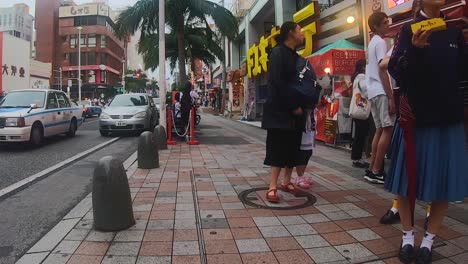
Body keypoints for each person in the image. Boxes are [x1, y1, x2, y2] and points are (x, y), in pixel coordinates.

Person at [386, 0, 467, 263]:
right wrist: (416, 51)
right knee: (406, 182)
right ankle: (408, 236)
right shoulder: (409, 30)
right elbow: (395, 70)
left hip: (448, 118)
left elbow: (463, 75)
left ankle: (429, 240)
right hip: (416, 119)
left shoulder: (455, 31)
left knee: (442, 184)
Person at [262, 21, 305, 203]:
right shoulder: (278, 52)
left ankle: (286, 182)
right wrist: (292, 105)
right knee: (277, 148)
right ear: (290, 33)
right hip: (280, 111)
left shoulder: (295, 55)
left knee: (293, 147)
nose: (302, 33)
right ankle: (272, 186)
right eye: (300, 30)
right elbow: (278, 83)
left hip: (296, 110)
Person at [365, 11, 395, 184]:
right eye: (384, 23)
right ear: (376, 26)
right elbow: (383, 69)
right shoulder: (380, 43)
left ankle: (372, 168)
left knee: (379, 129)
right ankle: (376, 170)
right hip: (381, 90)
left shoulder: (372, 43)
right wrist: (391, 97)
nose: (388, 25)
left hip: (372, 91)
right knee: (387, 129)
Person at [350, 60, 371, 168]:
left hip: (358, 107)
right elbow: (366, 92)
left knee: (359, 134)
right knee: (360, 135)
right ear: (363, 67)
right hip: (362, 108)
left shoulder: (356, 76)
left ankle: (356, 157)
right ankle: (357, 158)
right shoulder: (362, 76)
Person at [294, 110, 316, 188]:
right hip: (301, 124)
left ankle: (301, 175)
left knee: (308, 151)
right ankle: (299, 177)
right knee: (302, 152)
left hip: (310, 123)